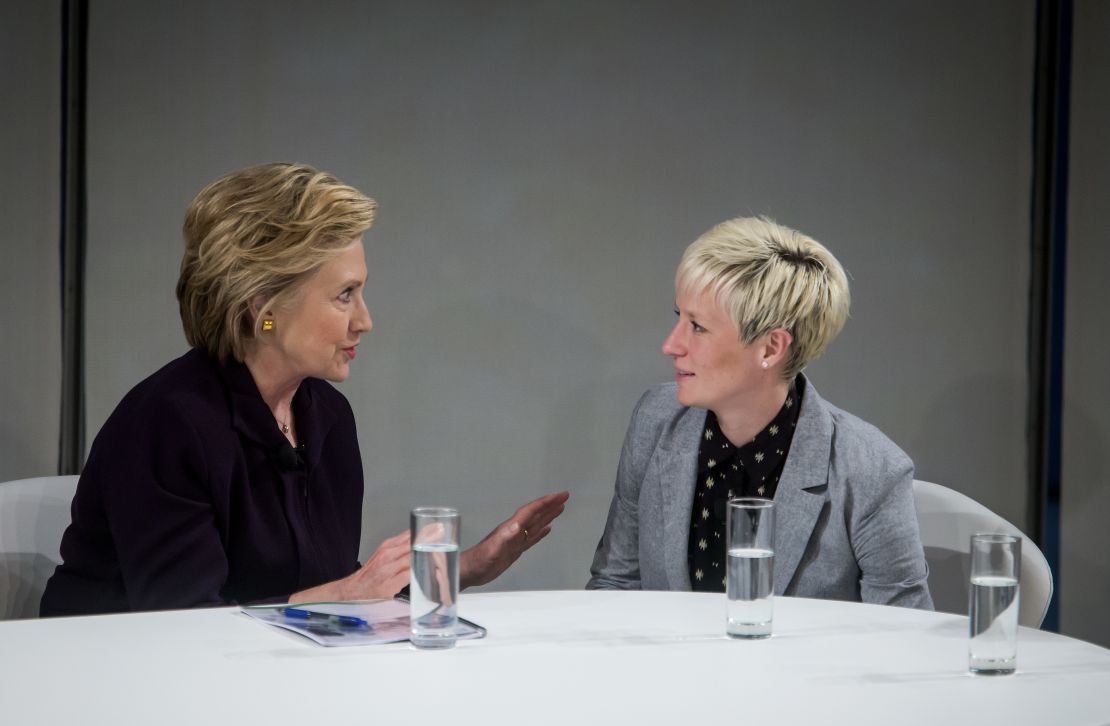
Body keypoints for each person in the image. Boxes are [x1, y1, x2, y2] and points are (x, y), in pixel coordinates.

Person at [41, 163, 568, 616]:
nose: (365, 320)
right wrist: (346, 594)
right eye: (344, 296)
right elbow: (185, 628)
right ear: (263, 308)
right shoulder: (166, 423)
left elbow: (324, 591)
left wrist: (466, 568)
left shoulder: (326, 417)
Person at [587, 216, 931, 609]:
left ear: (770, 348)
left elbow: (902, 638)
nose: (671, 344)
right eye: (678, 317)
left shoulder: (872, 471)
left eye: (697, 327)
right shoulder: (655, 420)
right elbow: (615, 586)